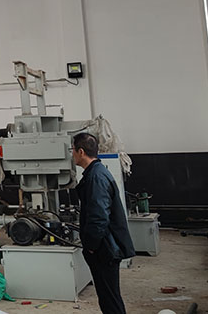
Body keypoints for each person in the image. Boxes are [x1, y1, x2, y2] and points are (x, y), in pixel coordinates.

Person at [72, 132, 135, 314]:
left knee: (110, 299)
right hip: (105, 246)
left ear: (81, 152)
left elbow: (99, 217)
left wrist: (91, 245)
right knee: (108, 297)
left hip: (105, 248)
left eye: (73, 150)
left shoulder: (96, 177)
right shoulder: (96, 173)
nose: (72, 154)